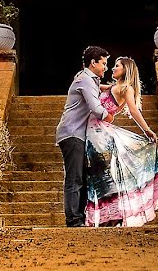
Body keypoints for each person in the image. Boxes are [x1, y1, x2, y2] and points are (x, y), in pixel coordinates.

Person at [85, 56, 158, 227]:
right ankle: (110, 215)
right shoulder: (114, 86)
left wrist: (147, 130)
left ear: (126, 69)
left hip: (99, 134)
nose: (112, 69)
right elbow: (92, 84)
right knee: (98, 173)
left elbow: (134, 111)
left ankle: (113, 215)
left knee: (101, 174)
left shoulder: (127, 88)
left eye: (117, 66)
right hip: (95, 131)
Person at [55, 46, 115, 227]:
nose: (106, 67)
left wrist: (116, 87)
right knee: (75, 177)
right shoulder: (85, 80)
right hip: (72, 133)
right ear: (93, 62)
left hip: (78, 135)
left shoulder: (88, 79)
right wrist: (110, 117)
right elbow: (96, 109)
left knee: (81, 175)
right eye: (103, 63)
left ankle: (78, 218)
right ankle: (73, 219)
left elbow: (99, 87)